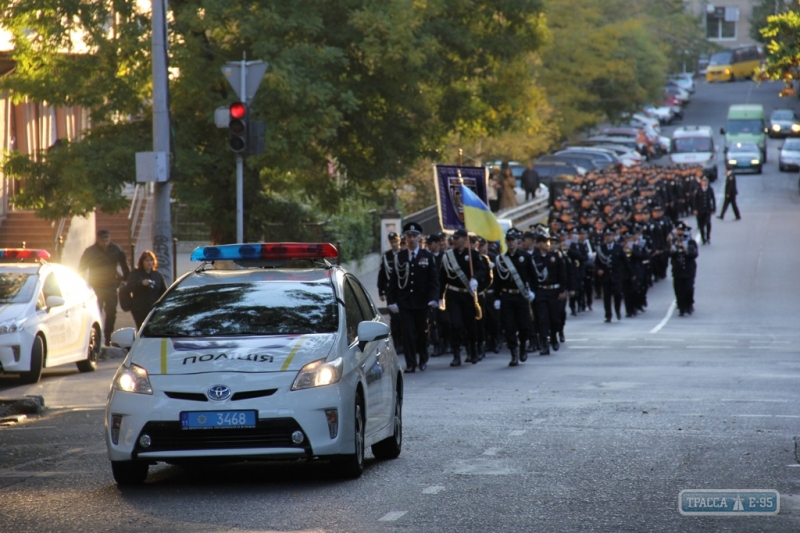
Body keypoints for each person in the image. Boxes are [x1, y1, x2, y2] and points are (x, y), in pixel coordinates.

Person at [387, 222, 440, 373]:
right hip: (404, 303)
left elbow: (434, 281)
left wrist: (434, 298)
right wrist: (391, 301)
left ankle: (423, 359)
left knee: (422, 332)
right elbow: (393, 282)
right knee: (407, 334)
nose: (411, 239)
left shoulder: (427, 256)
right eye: (409, 236)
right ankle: (411, 363)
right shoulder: (399, 257)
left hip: (422, 303)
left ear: (419, 238)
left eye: (414, 236)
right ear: (406, 238)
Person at [439, 228, 487, 366]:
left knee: (470, 324)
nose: (454, 240)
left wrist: (476, 279)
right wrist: (440, 296)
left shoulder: (473, 255)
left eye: (457, 238)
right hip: (453, 294)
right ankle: (456, 354)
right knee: (455, 324)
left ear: (464, 240)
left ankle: (472, 351)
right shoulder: (448, 256)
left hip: (468, 295)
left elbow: (482, 269)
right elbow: (442, 277)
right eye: (453, 238)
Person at [78, 229, 130, 345]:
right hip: (96, 285)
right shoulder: (90, 251)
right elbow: (81, 268)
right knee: (97, 312)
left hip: (111, 284)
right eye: (103, 240)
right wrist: (82, 284)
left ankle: (108, 336)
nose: (105, 242)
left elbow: (124, 264)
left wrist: (126, 279)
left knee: (111, 312)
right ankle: (97, 337)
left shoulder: (115, 249)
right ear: (98, 239)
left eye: (107, 239)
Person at [492, 228, 535, 366]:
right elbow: (497, 281)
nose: (511, 243)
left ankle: (523, 346)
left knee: (524, 326)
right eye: (508, 241)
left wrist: (532, 291)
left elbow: (533, 276)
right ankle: (513, 353)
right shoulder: (500, 259)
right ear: (505, 242)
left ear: (518, 242)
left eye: (513, 240)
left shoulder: (525, 257)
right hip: (507, 296)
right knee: (509, 326)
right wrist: (497, 298)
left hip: (521, 296)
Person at [531, 234, 567, 355]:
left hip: (554, 291)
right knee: (542, 318)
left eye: (548, 242)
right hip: (541, 291)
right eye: (545, 242)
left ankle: (554, 336)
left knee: (555, 318)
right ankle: (544, 343)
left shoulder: (555, 256)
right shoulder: (534, 258)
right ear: (539, 244)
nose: (548, 244)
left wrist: (563, 290)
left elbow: (562, 273)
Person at [124, 250, 167, 329]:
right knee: (142, 329)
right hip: (139, 308)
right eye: (147, 260)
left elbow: (164, 292)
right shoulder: (136, 273)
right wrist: (141, 283)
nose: (149, 263)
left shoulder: (157, 275)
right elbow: (128, 287)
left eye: (151, 260)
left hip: (154, 308)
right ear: (142, 262)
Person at [595, 228, 629, 323]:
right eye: (606, 236)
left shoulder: (618, 247)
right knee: (607, 297)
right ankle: (608, 315)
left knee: (618, 294)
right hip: (605, 276)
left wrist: (630, 273)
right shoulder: (601, 248)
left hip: (616, 276)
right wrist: (598, 269)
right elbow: (597, 262)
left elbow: (625, 261)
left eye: (610, 235)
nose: (608, 237)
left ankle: (617, 310)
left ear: (613, 237)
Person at [378, 232, 404, 354]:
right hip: (391, 291)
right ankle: (398, 343)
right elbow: (382, 274)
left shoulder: (403, 254)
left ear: (399, 241)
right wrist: (381, 290)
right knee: (394, 318)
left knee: (404, 317)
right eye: (391, 242)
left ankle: (407, 342)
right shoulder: (386, 256)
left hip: (403, 290)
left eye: (395, 241)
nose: (394, 244)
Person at [670, 221, 699, 316]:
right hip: (678, 269)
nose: (680, 232)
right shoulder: (673, 241)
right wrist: (674, 248)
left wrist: (685, 249)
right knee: (679, 289)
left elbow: (694, 254)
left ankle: (689, 304)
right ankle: (682, 308)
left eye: (681, 230)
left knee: (688, 289)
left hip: (688, 269)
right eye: (678, 230)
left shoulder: (691, 241)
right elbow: (670, 254)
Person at [692, 175, 716, 245]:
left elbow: (713, 199)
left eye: (705, 181)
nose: (704, 183)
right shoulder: (697, 189)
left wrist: (713, 208)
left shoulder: (710, 189)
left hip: (707, 209)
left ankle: (708, 236)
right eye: (703, 181)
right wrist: (695, 209)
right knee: (701, 225)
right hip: (700, 210)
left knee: (708, 222)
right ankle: (703, 238)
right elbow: (694, 200)